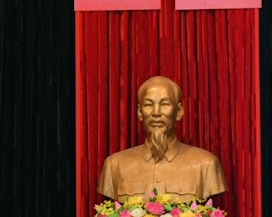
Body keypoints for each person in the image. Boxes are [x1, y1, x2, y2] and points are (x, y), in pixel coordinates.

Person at [96, 75, 227, 203]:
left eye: (164, 104)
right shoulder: (115, 165)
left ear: (179, 112)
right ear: (139, 113)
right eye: (148, 105)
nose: (156, 113)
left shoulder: (206, 165)